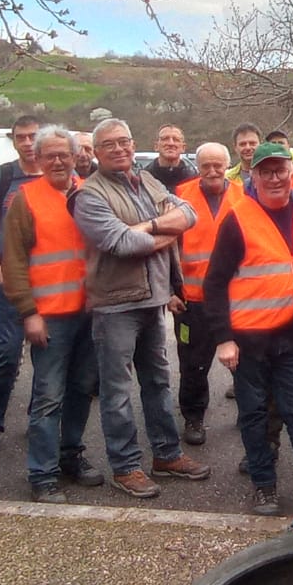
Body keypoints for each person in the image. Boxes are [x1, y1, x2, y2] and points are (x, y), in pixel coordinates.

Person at [74, 119, 212, 499]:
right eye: (109, 145)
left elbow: (189, 214)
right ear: (96, 152)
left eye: (124, 142)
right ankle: (126, 466)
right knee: (117, 391)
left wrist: (147, 226)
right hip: (115, 305)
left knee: (157, 382)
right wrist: (163, 232)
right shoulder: (89, 195)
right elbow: (120, 243)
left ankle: (166, 455)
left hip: (154, 299)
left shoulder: (147, 181)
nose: (118, 149)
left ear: (134, 145)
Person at [206, 141, 293, 517]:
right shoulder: (237, 219)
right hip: (248, 341)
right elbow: (214, 283)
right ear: (252, 175)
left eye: (280, 170)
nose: (274, 177)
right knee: (254, 416)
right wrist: (224, 339)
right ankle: (263, 486)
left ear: (291, 171)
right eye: (265, 171)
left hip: (290, 336)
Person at [0, 125, 101, 501]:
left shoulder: (91, 192)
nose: (58, 161)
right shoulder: (25, 200)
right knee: (48, 396)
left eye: (64, 154)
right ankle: (42, 474)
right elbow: (14, 262)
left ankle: (70, 454)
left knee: (80, 390)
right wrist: (29, 313)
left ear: (76, 156)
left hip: (89, 314)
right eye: (50, 155)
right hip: (50, 318)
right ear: (37, 160)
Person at [0, 113, 44, 461]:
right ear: (14, 140)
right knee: (4, 355)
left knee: (46, 358)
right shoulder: (2, 177)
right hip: (12, 283)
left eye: (34, 136)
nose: (28, 143)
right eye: (21, 137)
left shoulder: (58, 177)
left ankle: (39, 420)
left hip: (50, 285)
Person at [175, 142, 243, 447]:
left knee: (245, 362)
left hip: (237, 299)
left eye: (219, 165)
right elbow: (166, 248)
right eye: (206, 166)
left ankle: (248, 412)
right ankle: (193, 417)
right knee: (193, 363)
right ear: (197, 166)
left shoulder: (244, 195)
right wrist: (169, 290)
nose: (213, 171)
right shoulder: (179, 196)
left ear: (228, 165)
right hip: (192, 299)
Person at [148, 124, 194, 192]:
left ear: (183, 147)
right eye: (165, 139)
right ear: (156, 146)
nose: (171, 143)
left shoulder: (194, 180)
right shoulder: (144, 179)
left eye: (176, 139)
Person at [227, 124, 262, 189]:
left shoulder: (274, 174)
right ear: (235, 148)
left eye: (252, 143)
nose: (248, 147)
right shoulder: (227, 179)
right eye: (242, 144)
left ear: (261, 144)